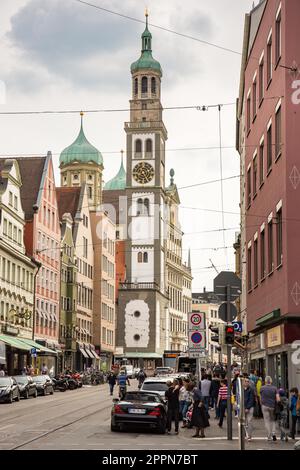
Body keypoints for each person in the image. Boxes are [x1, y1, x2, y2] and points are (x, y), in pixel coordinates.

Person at [260, 376, 280, 441]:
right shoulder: (274, 388)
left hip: (264, 406)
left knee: (267, 421)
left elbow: (260, 398)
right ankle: (273, 433)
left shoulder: (262, 388)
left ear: (265, 381)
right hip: (272, 406)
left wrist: (262, 403)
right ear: (271, 381)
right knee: (273, 420)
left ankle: (269, 435)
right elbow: (278, 399)